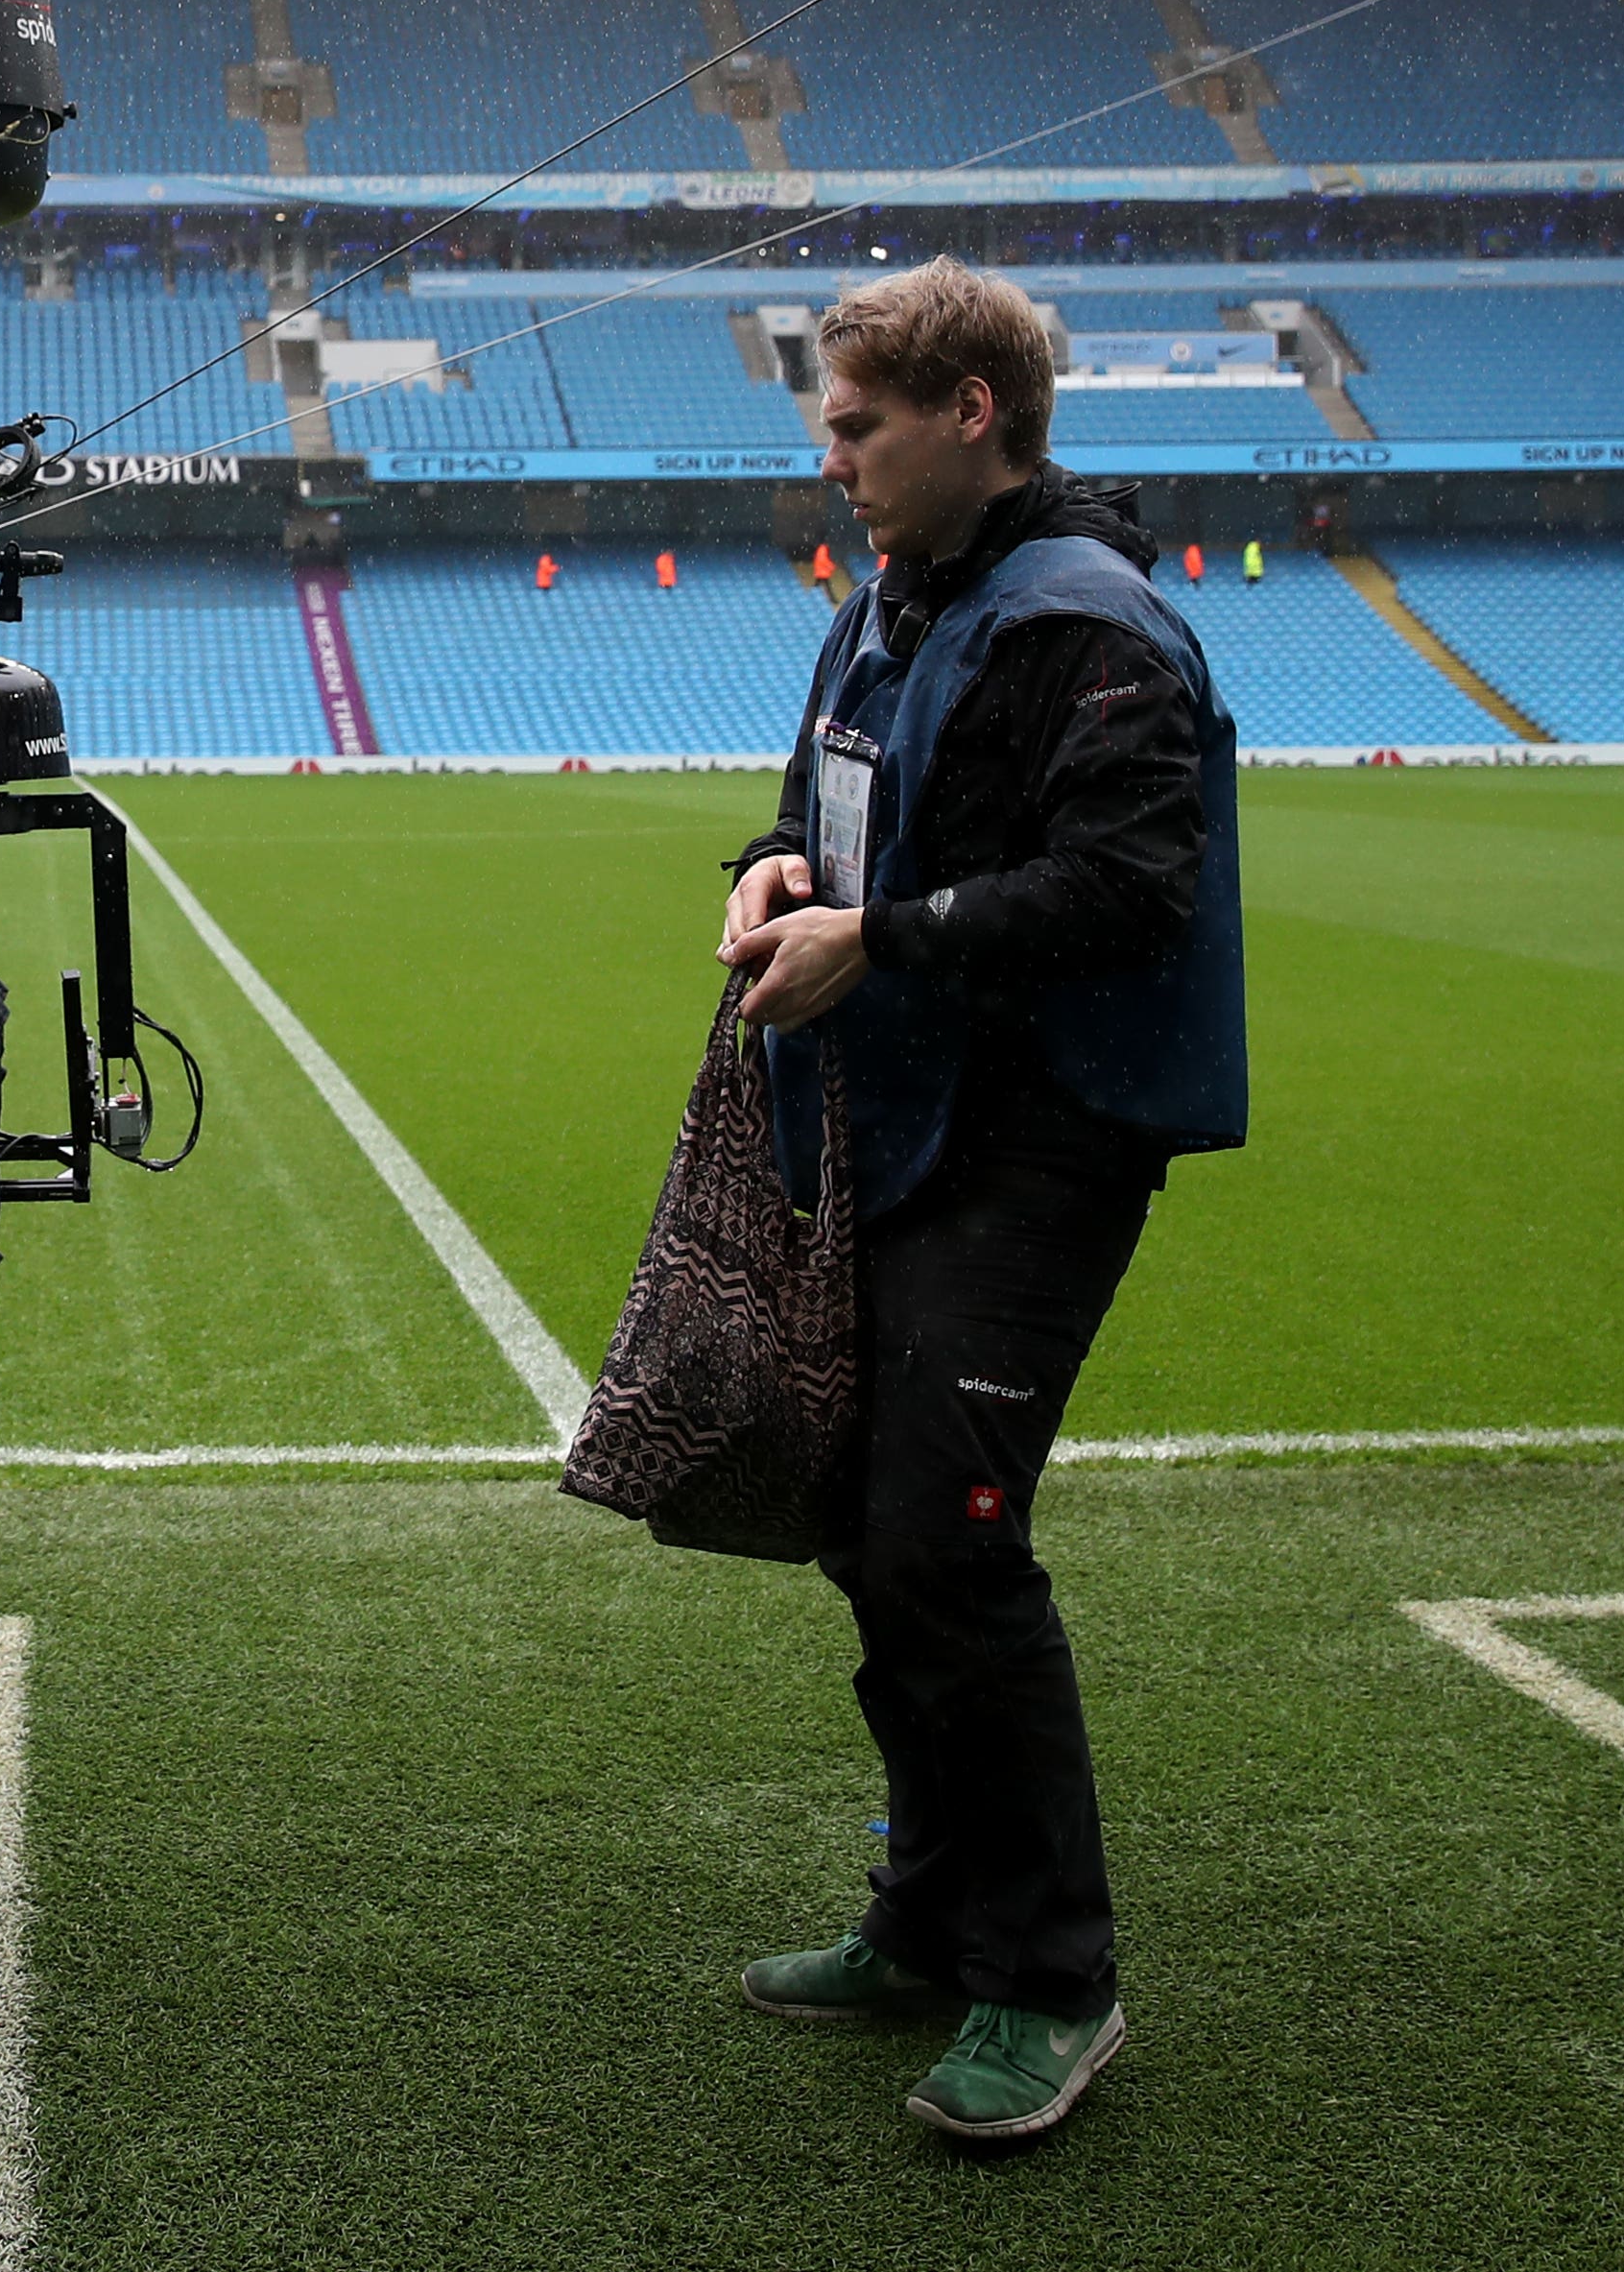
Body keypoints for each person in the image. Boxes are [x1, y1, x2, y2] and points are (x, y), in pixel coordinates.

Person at [708, 255, 1247, 2151]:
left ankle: (1050, 1975)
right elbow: (819, 808)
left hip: (1042, 1134)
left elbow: (1129, 887)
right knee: (868, 1525)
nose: (829, 458)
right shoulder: (895, 600)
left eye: (855, 424)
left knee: (944, 1539)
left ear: (968, 416)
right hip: (907, 1116)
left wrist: (883, 937)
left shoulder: (1088, 625)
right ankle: (931, 1915)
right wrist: (775, 878)